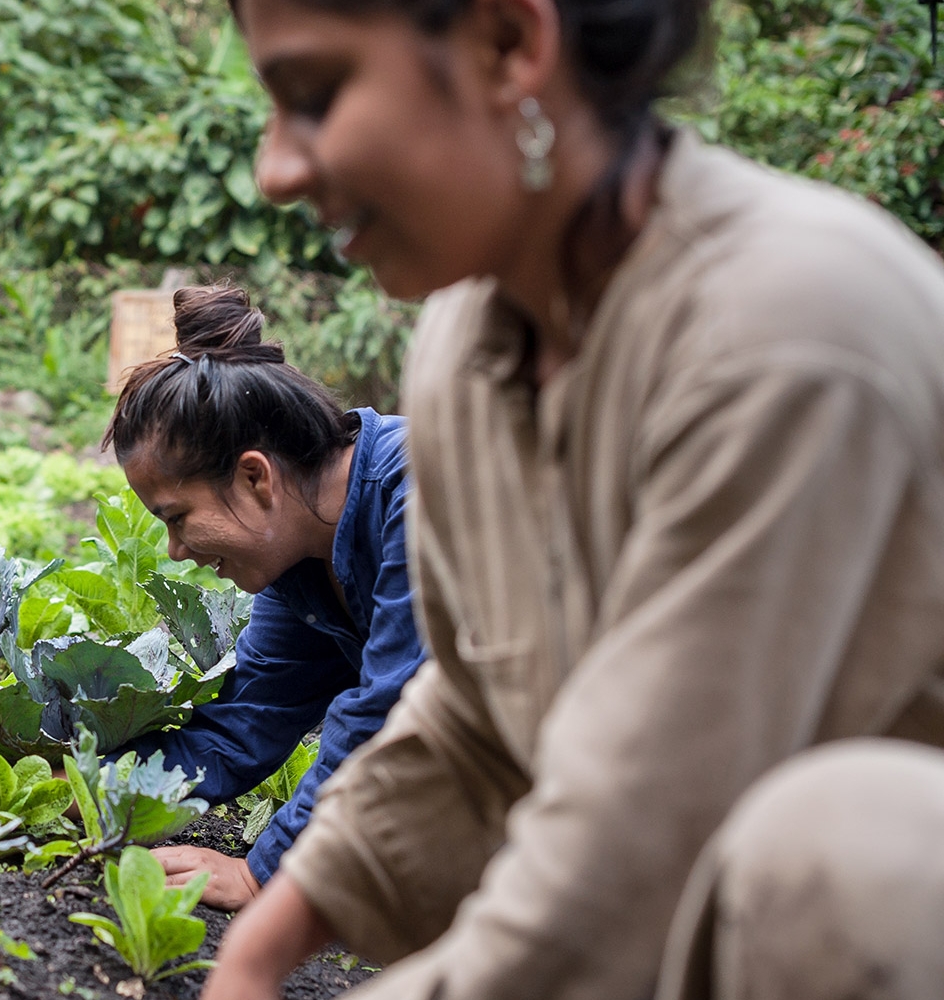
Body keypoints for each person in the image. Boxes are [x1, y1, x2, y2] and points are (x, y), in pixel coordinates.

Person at [202, 0, 944, 996]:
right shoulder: (468, 351)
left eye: (313, 96)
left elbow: (646, 827)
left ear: (510, 44)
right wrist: (266, 937)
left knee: (835, 854)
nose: (275, 169)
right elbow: (469, 724)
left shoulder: (783, 336)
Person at [105, 285, 424, 911]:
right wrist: (96, 785)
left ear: (255, 476)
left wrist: (264, 874)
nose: (175, 549)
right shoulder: (302, 559)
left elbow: (394, 716)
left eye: (176, 517)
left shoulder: (422, 496)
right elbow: (245, 722)